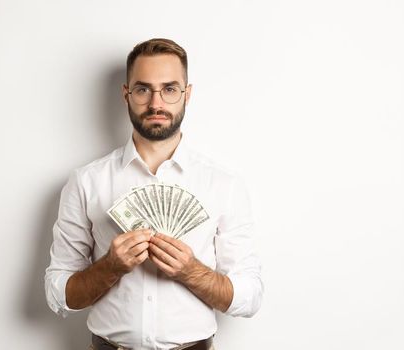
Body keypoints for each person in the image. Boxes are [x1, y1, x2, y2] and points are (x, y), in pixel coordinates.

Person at [44, 38, 263, 350]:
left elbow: (250, 296)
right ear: (126, 94)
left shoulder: (224, 184)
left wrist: (192, 272)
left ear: (187, 95)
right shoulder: (86, 181)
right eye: (143, 89)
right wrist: (109, 267)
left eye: (170, 89)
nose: (156, 104)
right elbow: (58, 293)